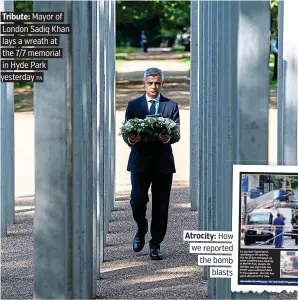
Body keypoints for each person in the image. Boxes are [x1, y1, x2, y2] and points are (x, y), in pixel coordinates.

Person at [123, 67, 180, 260]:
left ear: (162, 84)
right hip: (139, 161)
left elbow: (176, 135)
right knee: (137, 200)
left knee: (161, 206)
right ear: (144, 84)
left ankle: (155, 243)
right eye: (150, 83)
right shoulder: (133, 105)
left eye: (157, 83)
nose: (153, 87)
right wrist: (132, 139)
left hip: (162, 163)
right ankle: (141, 227)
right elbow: (126, 134)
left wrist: (167, 138)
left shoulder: (171, 106)